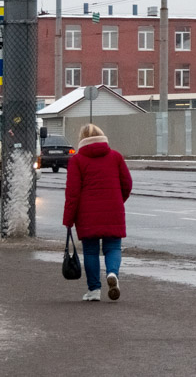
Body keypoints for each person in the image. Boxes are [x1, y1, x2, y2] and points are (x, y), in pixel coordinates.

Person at [63, 123, 133, 302]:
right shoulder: (116, 157)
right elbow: (127, 184)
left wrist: (69, 219)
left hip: (87, 214)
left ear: (81, 139)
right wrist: (117, 201)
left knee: (91, 251)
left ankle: (94, 290)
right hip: (113, 211)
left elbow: (73, 193)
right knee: (113, 247)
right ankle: (112, 273)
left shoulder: (77, 161)